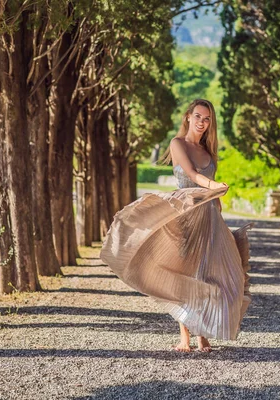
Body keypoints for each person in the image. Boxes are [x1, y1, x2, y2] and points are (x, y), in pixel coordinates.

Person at [100, 99, 252, 353]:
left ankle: (202, 334)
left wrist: (217, 202)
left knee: (212, 274)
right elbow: (193, 176)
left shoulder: (209, 150)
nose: (202, 122)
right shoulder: (177, 144)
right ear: (188, 117)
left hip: (210, 218)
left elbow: (210, 183)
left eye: (207, 119)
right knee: (185, 272)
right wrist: (214, 186)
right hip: (185, 215)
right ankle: (185, 337)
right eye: (198, 117)